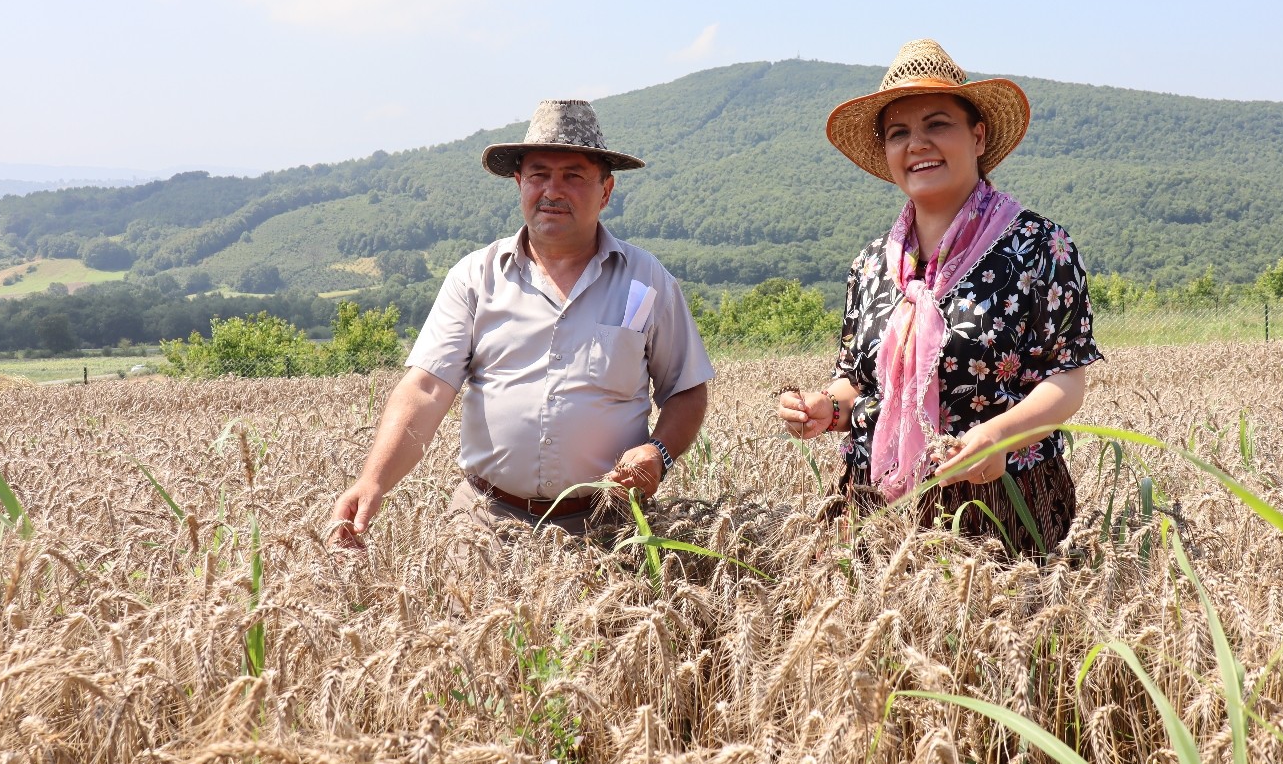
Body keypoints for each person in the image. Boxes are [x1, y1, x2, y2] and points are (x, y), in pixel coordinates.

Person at [332, 99, 713, 545]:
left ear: (605, 191)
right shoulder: (476, 278)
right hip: (485, 523)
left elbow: (686, 389)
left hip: (609, 528)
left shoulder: (648, 283)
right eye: (539, 175)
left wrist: (659, 452)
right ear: (519, 183)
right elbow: (426, 388)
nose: (553, 190)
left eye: (573, 175)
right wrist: (372, 481)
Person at [777, 39, 1102, 555]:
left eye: (937, 125)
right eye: (899, 133)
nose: (917, 144)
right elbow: (856, 382)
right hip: (874, 507)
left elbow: (1066, 381)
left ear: (978, 136)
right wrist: (824, 408)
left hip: (999, 503)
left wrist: (999, 437)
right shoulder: (870, 266)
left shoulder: (1041, 247)